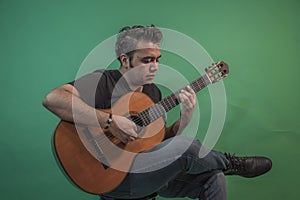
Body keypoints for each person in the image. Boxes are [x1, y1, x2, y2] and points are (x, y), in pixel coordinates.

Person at [43, 25, 272, 200]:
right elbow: (53, 99)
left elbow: (159, 147)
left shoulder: (153, 93)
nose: (155, 66)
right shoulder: (102, 80)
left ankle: (222, 166)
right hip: (113, 178)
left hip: (146, 172)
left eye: (158, 59)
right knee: (187, 147)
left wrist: (184, 119)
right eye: (147, 60)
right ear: (126, 59)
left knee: (213, 178)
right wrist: (110, 120)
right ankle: (231, 162)